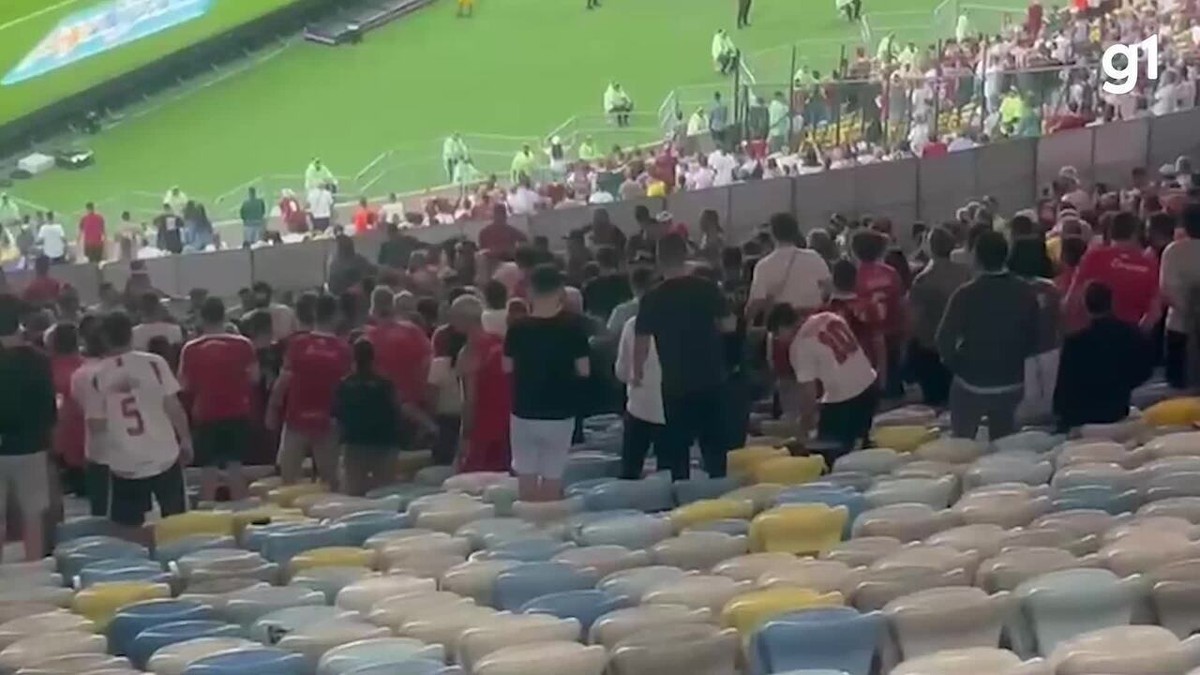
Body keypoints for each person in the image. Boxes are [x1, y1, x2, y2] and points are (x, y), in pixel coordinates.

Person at [84, 312, 192, 543]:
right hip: (163, 453)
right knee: (177, 522)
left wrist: (98, 457)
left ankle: (138, 563)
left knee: (126, 529)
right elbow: (173, 407)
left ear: (103, 338)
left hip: (125, 460)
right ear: (131, 334)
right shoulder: (154, 362)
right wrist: (186, 439)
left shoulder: (95, 375)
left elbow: (96, 424)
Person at [634, 233, 735, 480]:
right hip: (711, 376)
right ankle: (718, 496)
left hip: (675, 384)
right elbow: (729, 325)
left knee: (676, 453)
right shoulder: (707, 288)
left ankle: (681, 501)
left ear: (658, 260)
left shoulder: (652, 298)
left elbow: (641, 344)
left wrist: (636, 373)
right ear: (686, 255)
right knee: (714, 448)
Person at [936, 231, 1040, 440]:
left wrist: (958, 365)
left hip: (970, 383)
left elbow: (943, 339)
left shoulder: (965, 294)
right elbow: (1034, 338)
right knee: (1003, 445)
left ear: (976, 257)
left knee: (962, 443)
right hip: (1012, 382)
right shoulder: (1026, 292)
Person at [504, 265, 590, 501]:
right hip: (561, 411)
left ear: (529, 291)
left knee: (525, 473)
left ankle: (527, 524)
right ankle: (548, 524)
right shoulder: (574, 326)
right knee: (553, 474)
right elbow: (584, 371)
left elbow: (507, 368)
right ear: (560, 291)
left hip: (524, 409)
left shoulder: (517, 328)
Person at [772, 301, 878, 462]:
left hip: (845, 400)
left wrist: (804, 426)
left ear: (782, 327)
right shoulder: (828, 317)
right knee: (860, 448)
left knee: (828, 456)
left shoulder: (799, 346)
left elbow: (809, 394)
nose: (778, 340)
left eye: (777, 335)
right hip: (869, 384)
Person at [267, 294, 351, 490]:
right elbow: (346, 387)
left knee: (288, 479)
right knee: (330, 481)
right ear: (337, 316)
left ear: (314, 314)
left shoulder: (298, 344)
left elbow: (283, 380)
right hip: (327, 420)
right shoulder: (343, 349)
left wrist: (272, 408)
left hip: (297, 418)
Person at [178, 298, 258, 502]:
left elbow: (183, 385)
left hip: (206, 413)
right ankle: (241, 512)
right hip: (237, 411)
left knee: (208, 470)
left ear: (201, 318)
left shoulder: (191, 348)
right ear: (224, 316)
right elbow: (255, 378)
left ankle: (208, 516)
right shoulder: (243, 344)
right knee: (235, 467)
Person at [0, 294, 56, 561]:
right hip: (31, 446)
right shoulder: (39, 359)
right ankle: (34, 567)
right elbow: (48, 408)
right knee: (33, 513)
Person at [1054, 282, 1154, 430]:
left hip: (1079, 418)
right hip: (1116, 411)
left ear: (1085, 305)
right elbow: (1144, 371)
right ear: (1112, 302)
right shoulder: (1132, 335)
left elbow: (1064, 386)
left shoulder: (1075, 343)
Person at [908, 226, 971, 406]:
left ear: (929, 248)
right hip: (960, 343)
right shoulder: (965, 272)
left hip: (931, 347)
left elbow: (915, 319)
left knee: (934, 400)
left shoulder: (923, 280)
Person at [1065, 211, 1160, 331]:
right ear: (1136, 234)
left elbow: (1073, 298)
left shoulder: (1094, 257)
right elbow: (1155, 312)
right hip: (1130, 336)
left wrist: (1078, 334)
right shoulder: (1149, 264)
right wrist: (1136, 336)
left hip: (1094, 334)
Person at [363, 288, 435, 446]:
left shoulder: (370, 338)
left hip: (385, 411)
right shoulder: (413, 330)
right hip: (417, 405)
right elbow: (428, 361)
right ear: (393, 306)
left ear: (372, 309)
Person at [333, 340, 401, 496]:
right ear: (373, 358)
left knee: (354, 494)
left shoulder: (345, 385)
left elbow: (337, 415)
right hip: (384, 444)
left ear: (353, 359)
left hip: (354, 444)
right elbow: (397, 409)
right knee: (385, 493)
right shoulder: (385, 384)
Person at [851, 230, 905, 398]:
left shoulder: (855, 276)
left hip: (867, 334)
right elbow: (900, 300)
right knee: (893, 374)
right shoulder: (891, 273)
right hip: (892, 329)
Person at [746, 213, 831, 318]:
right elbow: (828, 287)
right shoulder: (813, 257)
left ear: (773, 234)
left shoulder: (763, 265)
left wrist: (746, 316)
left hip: (782, 324)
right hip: (813, 320)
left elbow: (757, 302)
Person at [615, 293, 663, 479]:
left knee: (630, 468)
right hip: (674, 406)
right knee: (670, 467)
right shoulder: (686, 325)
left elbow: (622, 370)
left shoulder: (632, 325)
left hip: (639, 406)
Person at [1160, 204, 1200, 389]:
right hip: (1187, 326)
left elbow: (1166, 290)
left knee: (1177, 386)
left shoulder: (1173, 251)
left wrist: (1187, 311)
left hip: (1179, 325)